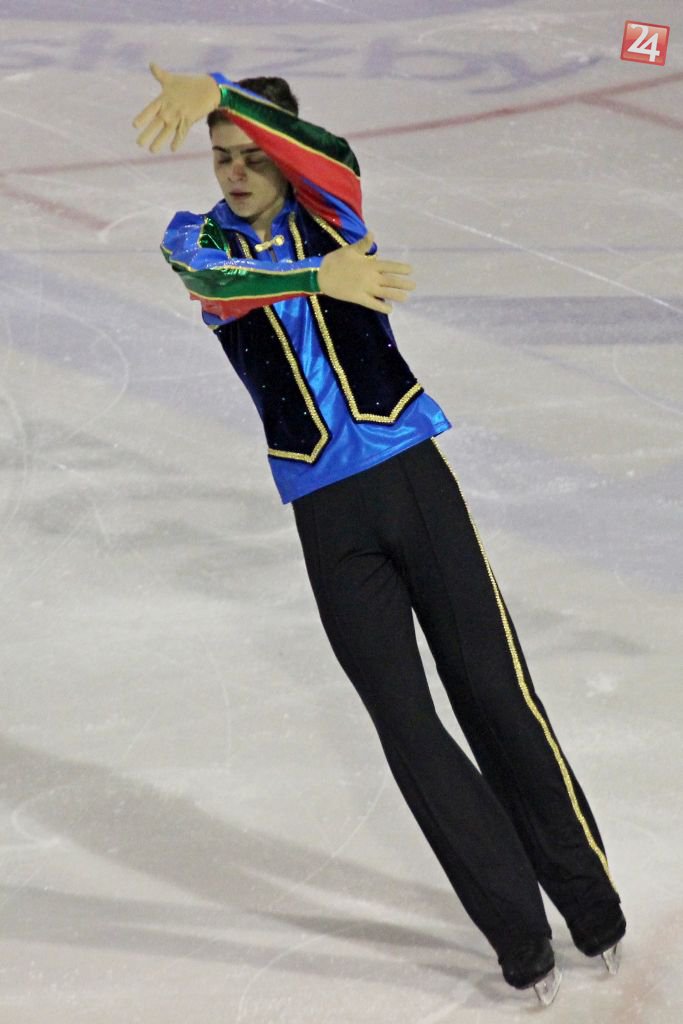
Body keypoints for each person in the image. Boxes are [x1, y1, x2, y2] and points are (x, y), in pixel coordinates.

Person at [132, 65, 626, 1001]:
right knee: (406, 724)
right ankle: (517, 935)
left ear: (284, 155)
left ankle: (590, 905)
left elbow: (332, 155)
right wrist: (315, 277)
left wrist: (226, 92)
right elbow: (208, 278)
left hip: (412, 481)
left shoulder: (333, 206)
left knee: (492, 690)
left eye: (253, 157)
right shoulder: (198, 239)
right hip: (328, 513)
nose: (235, 172)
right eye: (222, 156)